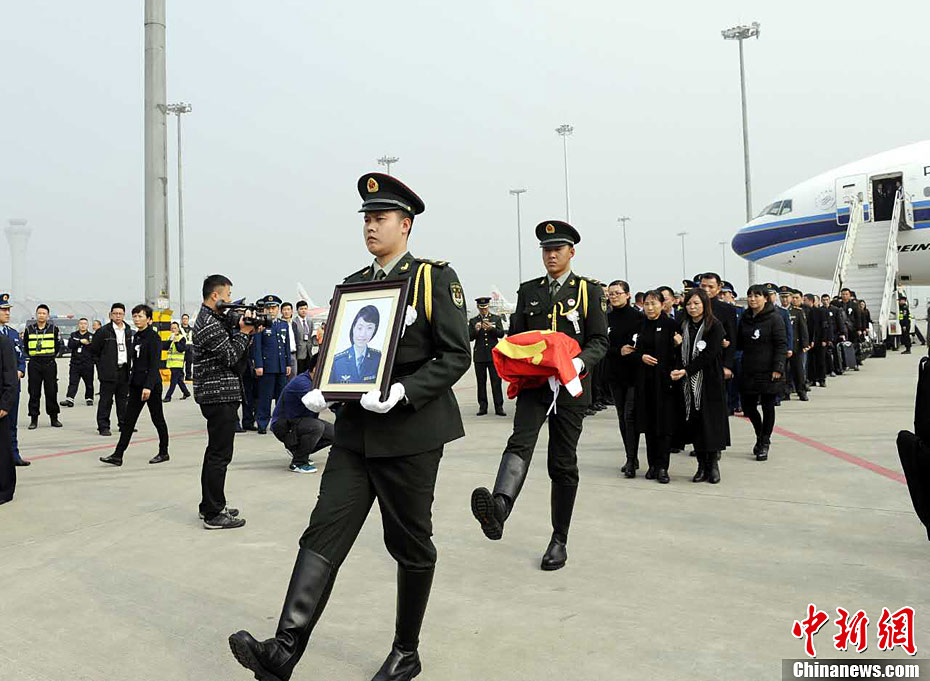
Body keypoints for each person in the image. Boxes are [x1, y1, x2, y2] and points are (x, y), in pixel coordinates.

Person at [228, 172, 470, 681]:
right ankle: (283, 650)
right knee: (324, 531)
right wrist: (322, 385)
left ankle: (407, 652)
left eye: (380, 218)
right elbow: (344, 357)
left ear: (406, 225)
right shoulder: (359, 285)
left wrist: (404, 391)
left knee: (410, 543)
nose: (370, 227)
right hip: (357, 434)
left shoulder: (433, 279)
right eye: (366, 219)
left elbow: (455, 355)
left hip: (411, 435)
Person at [470, 219, 608, 571]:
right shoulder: (528, 290)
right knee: (520, 442)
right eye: (546, 250)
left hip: (570, 388)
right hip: (534, 385)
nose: (551, 255)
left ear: (571, 252)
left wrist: (579, 363)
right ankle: (499, 508)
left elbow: (600, 341)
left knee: (561, 462)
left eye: (557, 250)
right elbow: (516, 338)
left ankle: (559, 538)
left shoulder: (587, 291)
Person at [193, 274, 260, 529]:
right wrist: (244, 332)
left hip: (220, 394)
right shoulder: (208, 324)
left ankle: (209, 505)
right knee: (220, 455)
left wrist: (249, 323)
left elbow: (232, 319)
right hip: (218, 395)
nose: (230, 301)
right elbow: (232, 355)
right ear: (215, 296)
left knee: (214, 453)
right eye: (228, 296)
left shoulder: (213, 317)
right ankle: (214, 514)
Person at [99, 305, 170, 466]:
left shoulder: (153, 338)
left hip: (150, 386)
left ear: (149, 319)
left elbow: (154, 365)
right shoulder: (136, 336)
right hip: (136, 385)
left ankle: (164, 451)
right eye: (135, 316)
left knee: (158, 419)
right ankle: (118, 455)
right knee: (128, 421)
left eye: (140, 316)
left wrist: (148, 386)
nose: (137, 319)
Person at [671, 288, 729, 483]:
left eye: (696, 303)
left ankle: (713, 465)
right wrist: (677, 347)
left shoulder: (715, 326)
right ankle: (701, 466)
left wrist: (687, 370)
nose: (692, 307)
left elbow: (709, 354)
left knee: (709, 423)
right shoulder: (682, 325)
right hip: (687, 384)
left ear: (705, 304)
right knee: (694, 422)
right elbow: (676, 353)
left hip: (709, 381)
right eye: (689, 304)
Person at [625, 290, 679, 483]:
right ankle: (652, 465)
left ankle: (663, 466)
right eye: (647, 304)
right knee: (647, 424)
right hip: (644, 381)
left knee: (663, 426)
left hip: (665, 382)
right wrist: (640, 357)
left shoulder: (671, 325)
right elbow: (627, 350)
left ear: (663, 305)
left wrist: (677, 345)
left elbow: (681, 353)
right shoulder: (639, 325)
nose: (649, 307)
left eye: (654, 303)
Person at [737, 284, 787, 461]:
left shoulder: (775, 318)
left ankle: (764, 442)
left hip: (769, 370)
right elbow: (739, 342)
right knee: (749, 407)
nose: (752, 299)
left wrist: (778, 367)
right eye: (750, 295)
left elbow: (781, 344)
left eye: (757, 296)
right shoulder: (744, 318)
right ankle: (760, 434)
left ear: (765, 298)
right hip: (749, 368)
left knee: (768, 406)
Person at [605, 280, 643, 476]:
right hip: (615, 373)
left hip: (635, 374)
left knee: (630, 416)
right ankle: (631, 457)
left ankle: (631, 458)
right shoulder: (606, 318)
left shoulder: (638, 317)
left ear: (628, 294)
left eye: (618, 293)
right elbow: (601, 344)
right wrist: (617, 350)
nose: (614, 296)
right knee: (622, 416)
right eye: (611, 294)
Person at [269, 366, 335, 473]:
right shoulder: (302, 383)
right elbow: (317, 404)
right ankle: (298, 462)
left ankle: (298, 451)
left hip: (300, 423)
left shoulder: (316, 383)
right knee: (316, 427)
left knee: (334, 433)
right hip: (285, 426)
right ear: (315, 369)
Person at [91, 303, 133, 436]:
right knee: (106, 400)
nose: (118, 316)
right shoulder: (103, 331)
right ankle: (103, 426)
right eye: (115, 313)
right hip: (108, 372)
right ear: (110, 315)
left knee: (123, 400)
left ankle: (124, 424)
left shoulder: (128, 330)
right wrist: (102, 367)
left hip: (124, 370)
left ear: (124, 315)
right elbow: (94, 352)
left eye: (120, 313)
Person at [252, 294, 291, 434]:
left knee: (281, 397)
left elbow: (286, 345)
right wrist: (258, 365)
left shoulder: (283, 324)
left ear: (278, 309)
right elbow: (257, 347)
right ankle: (262, 423)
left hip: (281, 367)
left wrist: (288, 364)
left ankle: (280, 424)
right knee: (265, 397)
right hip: (267, 367)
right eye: (268, 308)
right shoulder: (260, 324)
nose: (271, 310)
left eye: (274, 308)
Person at [22, 304, 63, 429]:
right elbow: (26, 346)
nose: (41, 315)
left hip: (49, 363)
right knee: (34, 392)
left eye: (44, 313)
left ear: (48, 315)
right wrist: (35, 356)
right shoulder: (29, 329)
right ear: (36, 315)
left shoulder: (53, 329)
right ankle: (34, 419)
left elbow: (58, 345)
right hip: (34, 363)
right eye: (39, 313)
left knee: (51, 391)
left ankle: (54, 418)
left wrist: (50, 356)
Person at [0, 293, 28, 466]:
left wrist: (20, 371)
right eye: (3, 310)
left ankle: (13, 455)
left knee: (11, 424)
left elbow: (21, 357)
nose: (7, 313)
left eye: (8, 310)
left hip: (12, 387)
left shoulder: (12, 334)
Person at [468, 296, 506, 416]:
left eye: (485, 308)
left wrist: (491, 329)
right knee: (481, 382)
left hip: (493, 355)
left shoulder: (496, 318)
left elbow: (500, 334)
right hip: (480, 356)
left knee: (496, 381)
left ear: (488, 306)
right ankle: (482, 407)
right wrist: (476, 330)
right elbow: (469, 337)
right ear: (478, 308)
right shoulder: (474, 321)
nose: (483, 310)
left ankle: (499, 407)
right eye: (481, 308)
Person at [329, 305, 383, 384]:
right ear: (353, 328)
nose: (362, 334)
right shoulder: (337, 361)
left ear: (374, 331)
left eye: (369, 328)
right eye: (360, 328)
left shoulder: (379, 359)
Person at [779, 286, 809, 401]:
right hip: (782, 346)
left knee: (798, 370)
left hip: (796, 346)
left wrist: (804, 344)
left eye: (786, 297)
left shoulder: (797, 312)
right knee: (783, 371)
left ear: (791, 298)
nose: (784, 300)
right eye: (782, 297)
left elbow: (803, 329)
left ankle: (801, 391)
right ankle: (785, 392)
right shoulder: (778, 311)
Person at [60, 317, 95, 407]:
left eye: (85, 324)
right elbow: (70, 345)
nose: (83, 325)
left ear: (87, 325)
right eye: (81, 323)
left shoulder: (91, 336)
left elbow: (94, 349)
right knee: (73, 382)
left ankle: (89, 398)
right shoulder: (73, 335)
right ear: (78, 325)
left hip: (87, 363)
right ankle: (70, 399)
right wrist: (80, 342)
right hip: (75, 363)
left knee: (89, 383)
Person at [0, 332, 17, 504]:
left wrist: (5, 404)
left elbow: (10, 375)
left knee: (2, 450)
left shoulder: (4, 342)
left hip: (0, 406)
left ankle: (5, 490)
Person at [804, 294, 828, 388]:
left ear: (810, 301)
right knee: (811, 361)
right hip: (809, 340)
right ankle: (812, 379)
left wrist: (824, 339)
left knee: (820, 361)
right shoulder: (805, 311)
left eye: (805, 300)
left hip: (819, 339)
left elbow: (824, 326)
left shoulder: (820, 311)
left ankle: (822, 379)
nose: (803, 302)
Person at [163, 321, 191, 401]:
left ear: (178, 329)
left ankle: (168, 396)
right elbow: (165, 347)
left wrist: (176, 342)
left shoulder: (182, 338)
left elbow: (181, 349)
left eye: (175, 328)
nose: (173, 330)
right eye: (172, 328)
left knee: (173, 381)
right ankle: (186, 392)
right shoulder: (170, 337)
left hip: (178, 363)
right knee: (178, 379)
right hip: (171, 363)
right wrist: (170, 340)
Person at [281, 302, 299, 382]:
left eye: (288, 309)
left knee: (293, 377)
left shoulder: (294, 324)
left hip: (293, 354)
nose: (286, 312)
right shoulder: (279, 324)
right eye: (284, 310)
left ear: (292, 311)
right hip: (283, 355)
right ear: (281, 311)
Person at [294, 301, 314, 374]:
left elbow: (310, 333)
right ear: (297, 310)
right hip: (299, 352)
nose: (303, 310)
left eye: (305, 308)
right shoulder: (294, 322)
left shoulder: (310, 321)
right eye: (301, 309)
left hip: (308, 351)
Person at [180, 313, 194, 381]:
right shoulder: (179, 329)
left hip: (190, 347)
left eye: (186, 319)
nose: (185, 320)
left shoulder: (191, 329)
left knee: (189, 362)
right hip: (182, 347)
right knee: (181, 363)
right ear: (182, 320)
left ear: (188, 320)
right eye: (184, 319)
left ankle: (188, 376)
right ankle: (181, 376)